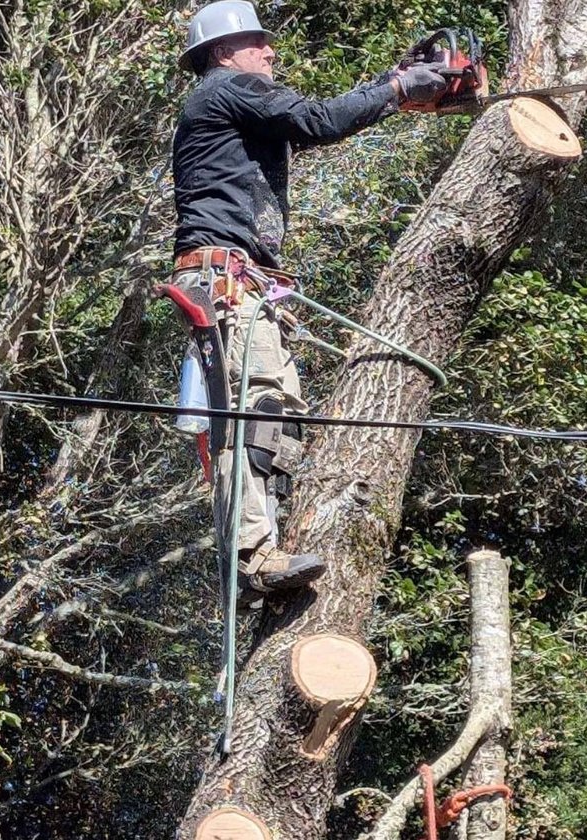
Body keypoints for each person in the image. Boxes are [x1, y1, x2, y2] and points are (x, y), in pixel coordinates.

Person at [171, 0, 446, 595]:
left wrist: (388, 86)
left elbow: (314, 119)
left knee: (276, 416)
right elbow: (319, 119)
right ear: (223, 52)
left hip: (247, 283)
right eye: (257, 42)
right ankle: (251, 558)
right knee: (249, 414)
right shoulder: (227, 89)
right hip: (226, 282)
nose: (270, 52)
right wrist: (397, 88)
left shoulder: (237, 102)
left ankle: (266, 542)